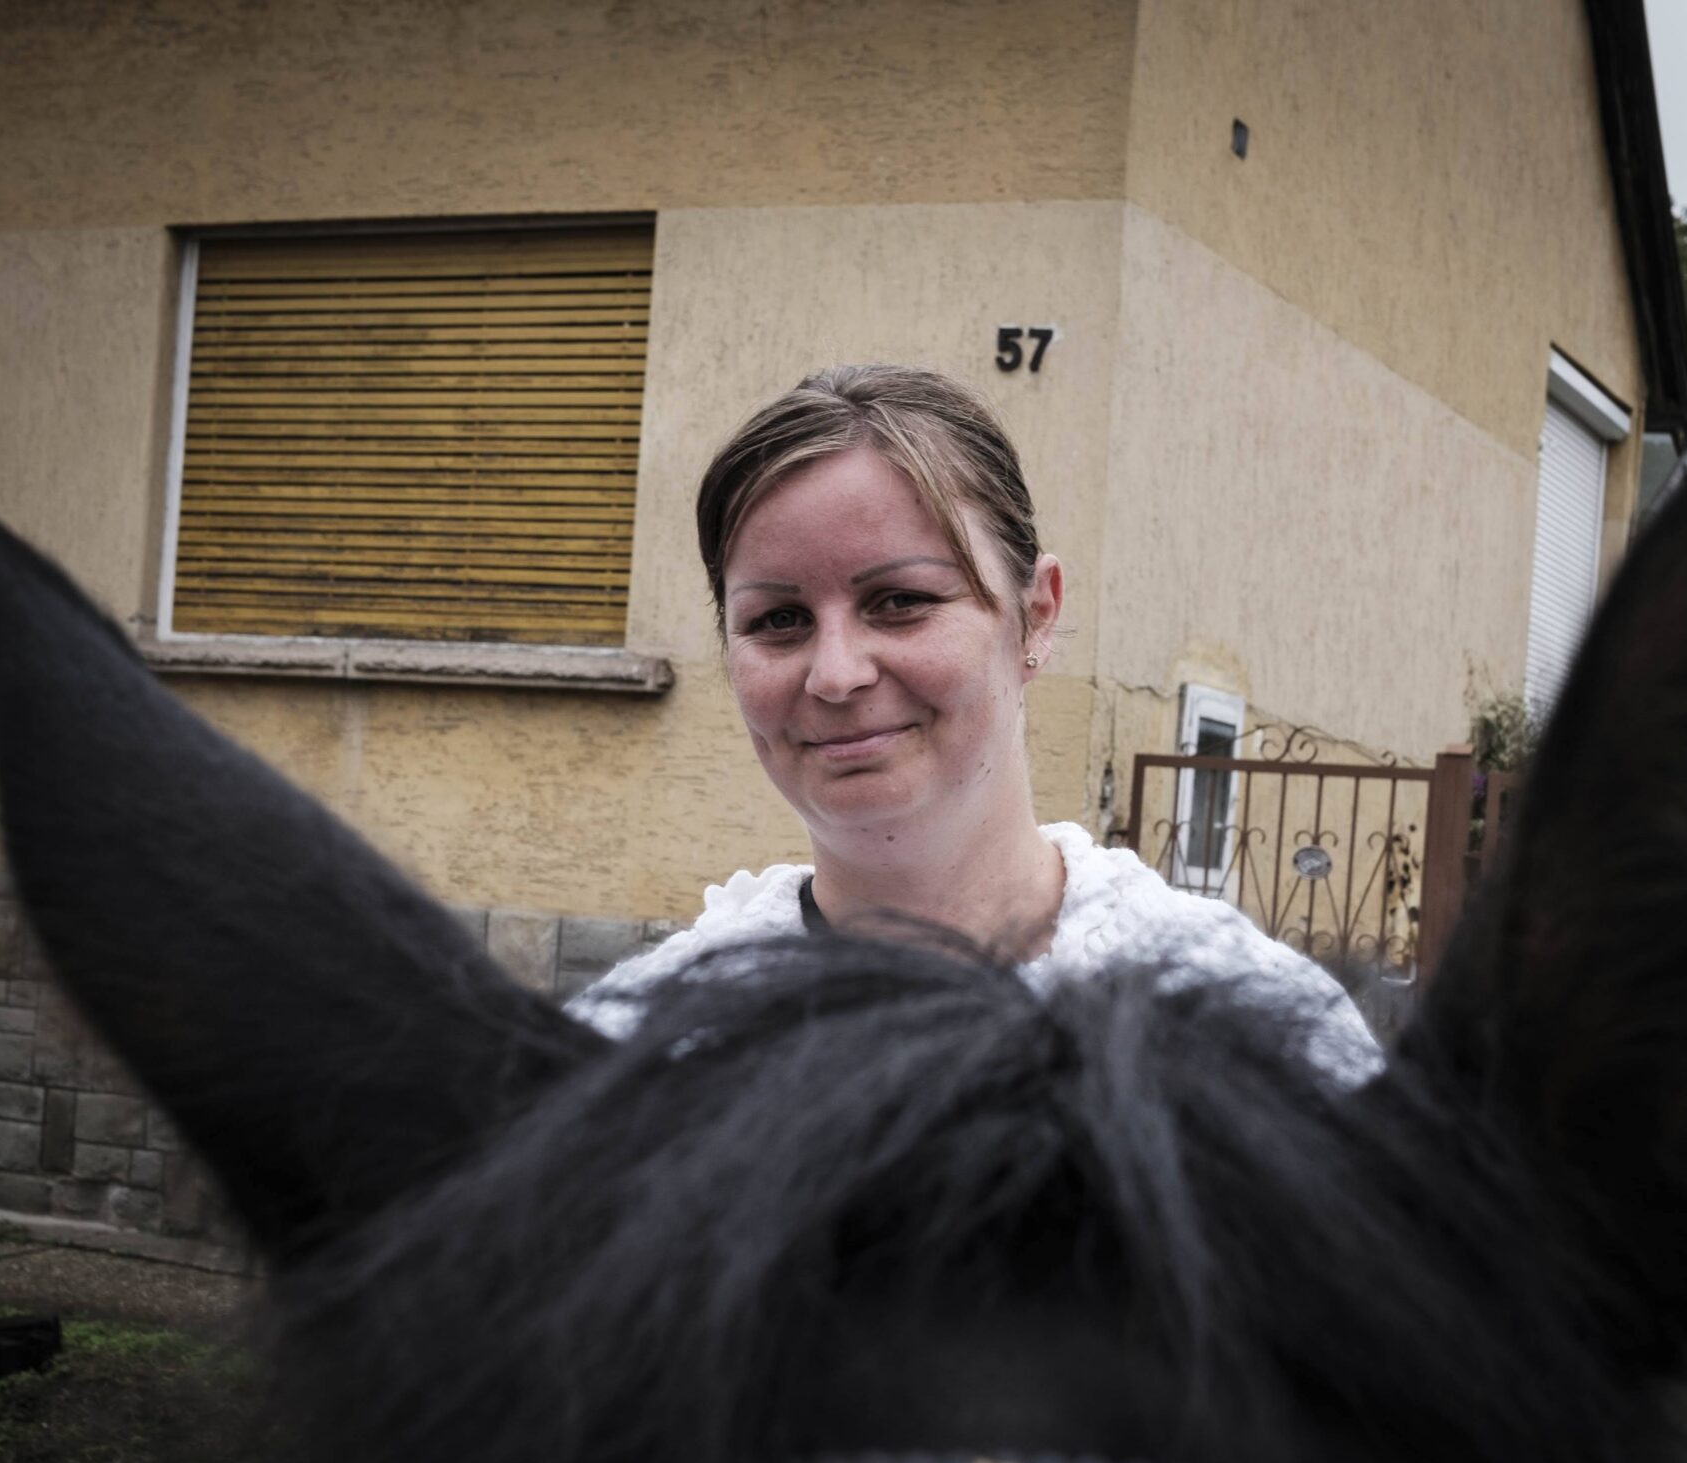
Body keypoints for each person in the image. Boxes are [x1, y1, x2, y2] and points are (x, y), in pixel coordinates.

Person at [568, 365, 1378, 1081]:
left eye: (901, 601)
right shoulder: (629, 1055)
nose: (836, 674)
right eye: (779, 620)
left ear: (1036, 615)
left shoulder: (1258, 1036)